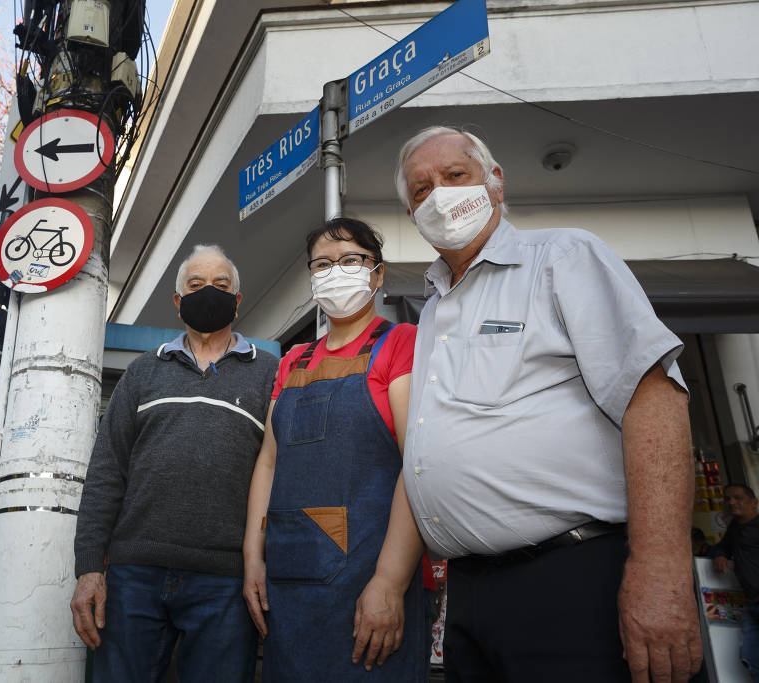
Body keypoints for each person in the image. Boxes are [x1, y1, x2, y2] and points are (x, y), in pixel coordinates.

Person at [395, 125, 701, 682]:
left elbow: (652, 398)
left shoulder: (563, 256)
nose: (438, 194)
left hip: (574, 578)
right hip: (470, 595)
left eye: (454, 176)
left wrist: (661, 567)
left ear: (495, 181)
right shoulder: (433, 311)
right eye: (420, 190)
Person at [71, 244, 278, 682]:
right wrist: (90, 567)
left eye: (221, 286)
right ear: (177, 300)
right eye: (196, 284)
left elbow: (280, 471)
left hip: (226, 583)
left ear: (237, 302)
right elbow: (107, 470)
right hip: (133, 578)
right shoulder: (144, 371)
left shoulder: (270, 373)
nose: (208, 293)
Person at [243, 218, 429, 681]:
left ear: (378, 274)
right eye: (323, 264)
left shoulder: (401, 343)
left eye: (351, 260)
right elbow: (269, 460)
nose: (336, 271)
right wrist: (252, 556)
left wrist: (390, 582)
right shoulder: (293, 360)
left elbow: (418, 465)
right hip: (288, 585)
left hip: (369, 582)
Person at [712, 484, 759, 680]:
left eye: (738, 498)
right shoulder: (735, 528)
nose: (731, 502)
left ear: (754, 503)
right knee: (751, 658)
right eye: (728, 499)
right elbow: (720, 547)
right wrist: (720, 555)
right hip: (751, 603)